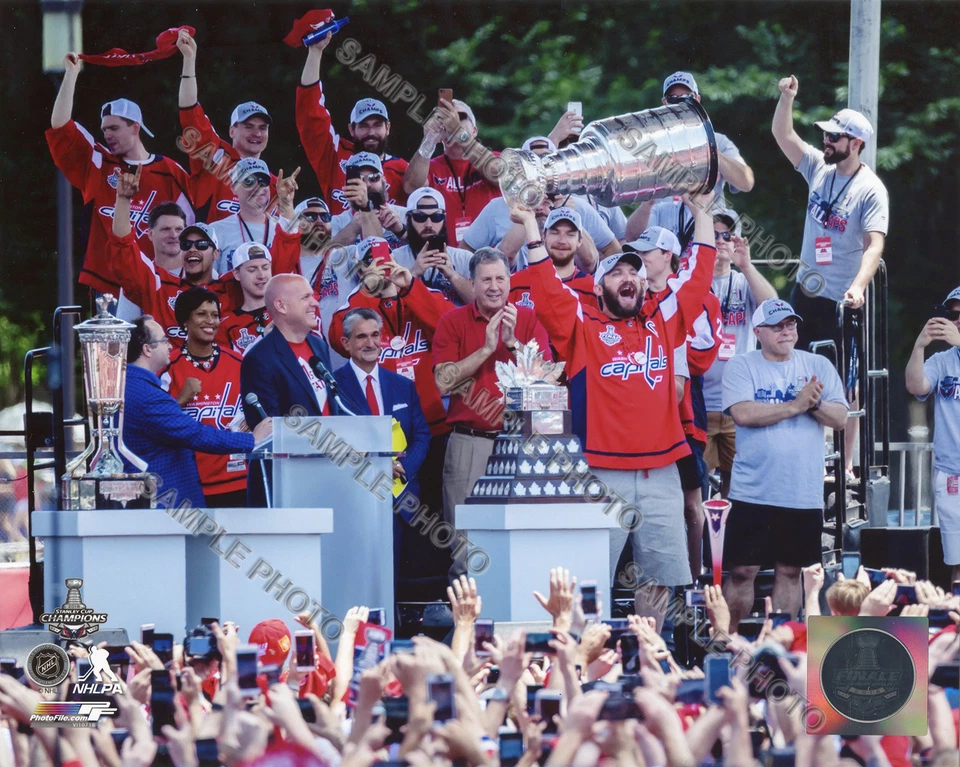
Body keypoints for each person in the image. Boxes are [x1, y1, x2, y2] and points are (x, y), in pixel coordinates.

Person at [512, 190, 717, 630]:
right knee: (589, 579)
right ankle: (584, 664)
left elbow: (699, 275)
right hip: (600, 471)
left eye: (636, 272)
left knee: (660, 579)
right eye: (617, 271)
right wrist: (530, 225)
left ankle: (649, 661)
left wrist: (702, 211)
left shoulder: (663, 320)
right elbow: (546, 289)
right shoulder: (582, 326)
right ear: (600, 284)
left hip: (662, 469)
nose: (629, 277)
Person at [773, 75, 889, 480]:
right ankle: (808, 455)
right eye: (826, 135)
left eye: (835, 137)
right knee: (796, 371)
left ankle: (847, 465)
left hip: (842, 299)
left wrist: (858, 286)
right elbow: (783, 134)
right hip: (806, 293)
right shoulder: (819, 170)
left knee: (845, 382)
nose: (826, 142)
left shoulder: (870, 189)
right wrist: (787, 97)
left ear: (856, 144)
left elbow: (874, 245)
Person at [720, 298, 848, 629]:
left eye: (790, 324)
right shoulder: (741, 365)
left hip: (801, 491)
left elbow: (840, 417)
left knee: (791, 571)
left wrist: (811, 403)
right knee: (741, 571)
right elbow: (744, 414)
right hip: (753, 491)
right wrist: (795, 405)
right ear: (758, 331)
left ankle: (782, 645)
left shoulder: (817, 363)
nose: (786, 331)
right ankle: (728, 641)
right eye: (777, 326)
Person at [433, 248, 551, 577]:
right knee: (465, 544)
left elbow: (546, 381)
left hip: (520, 444)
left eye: (500, 278)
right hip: (470, 443)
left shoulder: (528, 320)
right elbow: (443, 383)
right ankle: (467, 624)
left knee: (521, 538)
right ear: (472, 284)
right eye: (486, 280)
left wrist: (513, 344)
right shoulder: (452, 321)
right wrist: (486, 348)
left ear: (511, 281)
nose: (494, 286)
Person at [47, 52, 193, 296]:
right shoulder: (98, 162)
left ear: (135, 127)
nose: (107, 135)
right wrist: (71, 75)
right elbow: (60, 127)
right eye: (104, 129)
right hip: (108, 285)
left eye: (114, 128)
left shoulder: (170, 171)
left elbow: (190, 228)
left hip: (158, 284)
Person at [107, 167, 299, 340]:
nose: (193, 248)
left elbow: (281, 262)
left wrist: (286, 205)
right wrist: (123, 200)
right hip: (171, 377)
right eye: (186, 244)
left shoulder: (232, 289)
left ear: (216, 254)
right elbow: (123, 252)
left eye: (201, 244)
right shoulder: (160, 287)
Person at [629, 226, 724, 578]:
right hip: (637, 409)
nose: (639, 259)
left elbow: (702, 357)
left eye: (646, 252)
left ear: (667, 255)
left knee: (688, 500)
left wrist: (670, 348)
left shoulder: (696, 297)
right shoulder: (629, 296)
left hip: (683, 406)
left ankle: (694, 579)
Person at [334, 308, 435, 590]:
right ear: (346, 344)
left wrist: (404, 467)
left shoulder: (402, 385)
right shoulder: (332, 387)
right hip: (356, 497)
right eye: (361, 337)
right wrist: (374, 466)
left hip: (400, 497)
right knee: (360, 581)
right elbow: (332, 441)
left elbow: (422, 435)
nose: (370, 343)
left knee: (395, 581)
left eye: (375, 335)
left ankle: (394, 632)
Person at [123, 316, 269, 508]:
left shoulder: (131, 385)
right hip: (165, 504)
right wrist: (251, 440)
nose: (169, 346)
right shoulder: (147, 394)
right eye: (164, 340)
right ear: (147, 349)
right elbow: (193, 433)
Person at [329, 238, 455, 437]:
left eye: (385, 257)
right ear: (361, 272)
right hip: (380, 425)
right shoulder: (352, 304)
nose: (380, 264)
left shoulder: (423, 294)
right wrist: (367, 291)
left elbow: (449, 329)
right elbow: (339, 340)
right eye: (371, 260)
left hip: (431, 419)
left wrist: (409, 287)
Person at [624, 71, 755, 248]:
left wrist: (709, 147)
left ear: (697, 100)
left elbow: (746, 183)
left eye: (687, 97)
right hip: (663, 242)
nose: (680, 103)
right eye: (673, 98)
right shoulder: (650, 146)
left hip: (709, 235)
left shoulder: (718, 141)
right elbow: (633, 234)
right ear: (664, 103)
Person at [703, 210, 778, 499]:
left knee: (738, 488)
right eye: (713, 235)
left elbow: (773, 309)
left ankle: (731, 543)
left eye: (727, 235)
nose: (720, 241)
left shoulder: (744, 281)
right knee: (697, 490)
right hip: (701, 405)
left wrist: (746, 266)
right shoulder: (691, 281)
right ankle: (702, 545)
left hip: (739, 405)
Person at [297, 30, 408, 210]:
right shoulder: (335, 155)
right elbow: (310, 115)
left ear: (388, 128)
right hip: (342, 237)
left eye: (377, 125)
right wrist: (315, 52)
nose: (371, 132)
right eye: (363, 126)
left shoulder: (402, 169)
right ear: (351, 129)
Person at [175, 30, 278, 223]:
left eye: (262, 128)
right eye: (249, 126)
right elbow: (189, 110)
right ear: (232, 130)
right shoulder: (215, 155)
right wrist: (189, 59)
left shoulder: (273, 183)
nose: (256, 133)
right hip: (210, 251)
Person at [162, 288, 248, 507]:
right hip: (191, 481)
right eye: (201, 314)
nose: (211, 321)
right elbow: (157, 423)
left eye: (215, 315)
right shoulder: (168, 367)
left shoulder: (239, 362)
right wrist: (182, 398)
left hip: (237, 480)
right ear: (185, 320)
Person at [905, 286, 960, 584]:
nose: (958, 319)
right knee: (958, 562)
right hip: (953, 473)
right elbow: (916, 386)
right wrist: (919, 346)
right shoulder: (943, 360)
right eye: (953, 313)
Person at [240, 273, 337, 425]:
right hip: (296, 447)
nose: (315, 303)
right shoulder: (259, 359)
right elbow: (266, 426)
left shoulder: (320, 346)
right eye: (305, 297)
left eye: (313, 296)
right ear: (281, 306)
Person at [403, 98, 501, 247]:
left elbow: (497, 174)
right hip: (446, 259)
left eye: (460, 117)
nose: (452, 121)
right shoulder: (431, 166)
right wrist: (428, 140)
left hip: (489, 260)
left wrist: (458, 131)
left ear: (474, 131)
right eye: (445, 118)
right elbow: (411, 187)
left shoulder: (493, 158)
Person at [209, 159, 298, 273]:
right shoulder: (216, 230)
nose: (258, 186)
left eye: (263, 181)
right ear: (233, 187)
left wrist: (287, 202)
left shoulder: (283, 229)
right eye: (249, 181)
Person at [390, 187, 475, 306]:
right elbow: (389, 307)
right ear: (408, 219)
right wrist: (412, 275)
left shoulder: (464, 258)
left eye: (436, 217)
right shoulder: (395, 259)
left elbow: (480, 303)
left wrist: (453, 275)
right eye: (420, 217)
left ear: (444, 218)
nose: (429, 225)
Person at [507, 207, 599, 314]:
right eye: (555, 233)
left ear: (579, 241)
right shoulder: (515, 283)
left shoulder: (592, 290)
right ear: (543, 237)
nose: (562, 241)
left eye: (570, 234)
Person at [328, 153, 408, 249]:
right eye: (360, 180)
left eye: (373, 178)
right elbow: (324, 259)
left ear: (384, 181)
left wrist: (402, 231)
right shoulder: (337, 222)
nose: (367, 185)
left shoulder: (405, 215)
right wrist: (353, 228)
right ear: (348, 186)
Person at [216, 243, 274, 355]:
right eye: (252, 270)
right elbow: (227, 367)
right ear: (237, 274)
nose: (261, 275)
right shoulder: (226, 326)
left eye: (265, 268)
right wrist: (263, 339)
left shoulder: (286, 311)